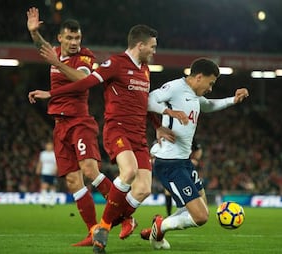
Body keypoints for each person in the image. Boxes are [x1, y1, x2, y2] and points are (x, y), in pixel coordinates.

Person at [28, 24, 182, 254]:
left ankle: (115, 222)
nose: (155, 51)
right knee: (96, 177)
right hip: (100, 127)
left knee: (139, 188)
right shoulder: (115, 62)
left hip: (118, 129)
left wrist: (158, 127)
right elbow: (79, 77)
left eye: (77, 37)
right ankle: (100, 228)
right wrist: (34, 35)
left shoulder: (136, 67)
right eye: (153, 47)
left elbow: (141, 101)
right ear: (140, 45)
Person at [27, 7, 114, 247]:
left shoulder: (85, 57)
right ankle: (93, 230)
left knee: (89, 170)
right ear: (61, 38)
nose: (75, 42)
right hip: (60, 124)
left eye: (77, 38)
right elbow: (41, 47)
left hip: (79, 121)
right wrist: (34, 33)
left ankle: (125, 217)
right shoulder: (54, 52)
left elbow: (83, 80)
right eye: (70, 38)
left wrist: (57, 63)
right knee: (74, 181)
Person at [143, 57, 249, 250]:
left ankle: (158, 229)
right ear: (199, 77)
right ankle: (160, 226)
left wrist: (233, 100)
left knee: (201, 207)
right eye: (210, 83)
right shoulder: (175, 87)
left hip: (184, 162)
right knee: (200, 216)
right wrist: (168, 112)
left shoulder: (193, 95)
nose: (210, 88)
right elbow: (149, 100)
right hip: (169, 163)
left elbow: (208, 105)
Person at [36, 141, 57, 206]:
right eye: (48, 145)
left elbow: (56, 163)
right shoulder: (43, 154)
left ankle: (52, 201)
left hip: (52, 173)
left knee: (52, 186)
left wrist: (55, 170)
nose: (49, 146)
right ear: (46, 146)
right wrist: (38, 169)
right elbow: (40, 162)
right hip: (44, 172)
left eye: (50, 145)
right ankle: (44, 201)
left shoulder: (54, 154)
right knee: (44, 186)